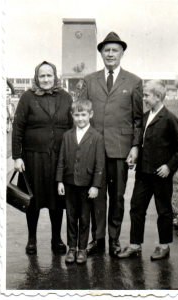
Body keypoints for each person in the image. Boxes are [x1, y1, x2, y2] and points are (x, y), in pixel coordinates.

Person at [80, 32, 143, 256]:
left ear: (122, 53)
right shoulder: (89, 80)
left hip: (120, 149)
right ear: (101, 53)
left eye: (114, 50)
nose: (110, 54)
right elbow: (81, 114)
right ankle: (97, 240)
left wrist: (135, 146)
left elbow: (138, 119)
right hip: (94, 150)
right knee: (95, 195)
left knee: (117, 197)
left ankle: (114, 240)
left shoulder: (134, 81)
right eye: (106, 50)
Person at [118, 80, 178, 260]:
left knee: (163, 210)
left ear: (158, 97)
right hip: (143, 173)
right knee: (136, 207)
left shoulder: (170, 118)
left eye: (147, 95)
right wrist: (135, 156)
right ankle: (135, 244)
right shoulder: (145, 116)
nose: (144, 98)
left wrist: (169, 167)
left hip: (161, 175)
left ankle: (163, 246)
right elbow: (141, 143)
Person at [12, 61, 73, 254]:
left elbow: (72, 127)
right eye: (42, 76)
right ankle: (32, 239)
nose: (46, 79)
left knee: (58, 199)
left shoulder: (65, 97)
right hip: (33, 158)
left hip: (58, 158)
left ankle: (57, 239)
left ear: (56, 76)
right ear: (36, 78)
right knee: (33, 199)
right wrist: (16, 156)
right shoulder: (27, 97)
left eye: (49, 75)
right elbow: (18, 127)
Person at [56, 99, 104, 264]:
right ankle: (71, 248)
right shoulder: (67, 135)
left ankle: (82, 249)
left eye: (83, 115)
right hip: (69, 183)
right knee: (71, 217)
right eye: (77, 115)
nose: (80, 118)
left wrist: (96, 185)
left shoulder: (97, 136)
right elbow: (61, 159)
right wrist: (60, 181)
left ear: (90, 115)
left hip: (86, 185)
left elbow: (99, 164)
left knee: (84, 218)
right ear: (72, 116)